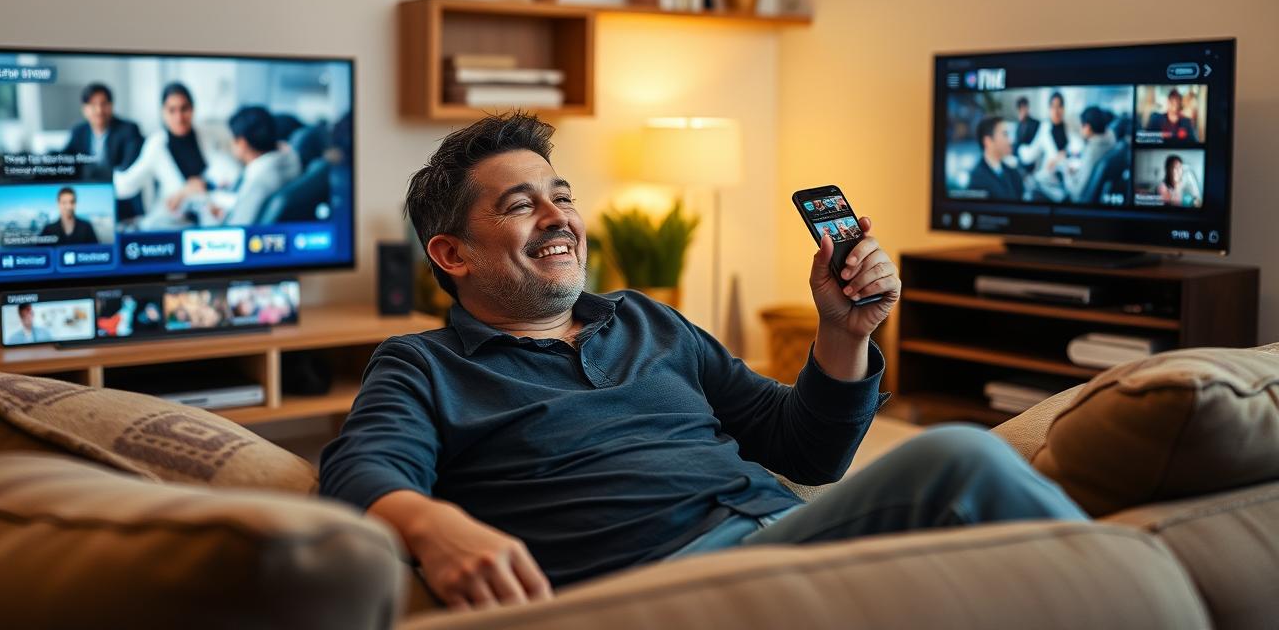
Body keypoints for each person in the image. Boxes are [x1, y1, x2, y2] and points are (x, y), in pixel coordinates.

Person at [319, 113, 1086, 609]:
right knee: (956, 456)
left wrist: (844, 333)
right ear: (450, 253)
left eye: (562, 195)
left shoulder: (644, 320)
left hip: (790, 535)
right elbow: (361, 468)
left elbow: (803, 450)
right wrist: (428, 524)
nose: (559, 218)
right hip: (671, 588)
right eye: (520, 205)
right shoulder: (422, 364)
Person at [112, 83, 238, 230]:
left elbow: (228, 174)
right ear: (163, 112)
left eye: (184, 109)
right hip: (172, 221)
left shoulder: (207, 135)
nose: (179, 117)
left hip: (211, 216)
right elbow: (126, 185)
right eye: (172, 110)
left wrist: (204, 187)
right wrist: (184, 192)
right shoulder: (156, 144)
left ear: (192, 109)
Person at [201, 106, 302, 226]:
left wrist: (208, 214)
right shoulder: (290, 158)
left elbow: (235, 228)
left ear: (242, 144)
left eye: (233, 139)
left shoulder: (259, 184)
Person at [61, 83, 145, 218]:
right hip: (89, 201)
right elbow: (66, 160)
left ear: (111, 106)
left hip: (123, 204)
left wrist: (88, 172)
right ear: (84, 109)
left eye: (104, 103)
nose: (99, 110)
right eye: (93, 105)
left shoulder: (129, 130)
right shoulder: (79, 132)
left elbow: (126, 169)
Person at [1064, 107, 1118, 203]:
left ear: (1088, 127)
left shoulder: (1091, 153)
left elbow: (1077, 192)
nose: (1080, 129)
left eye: (1081, 126)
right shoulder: (1112, 139)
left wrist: (1066, 174)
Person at [966, 117, 1025, 200]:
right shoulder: (977, 180)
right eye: (1005, 134)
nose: (1010, 141)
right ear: (988, 141)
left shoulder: (1013, 173)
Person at [1011, 96, 1040, 173]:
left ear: (1027, 107)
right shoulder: (1019, 124)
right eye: (1021, 108)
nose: (1023, 110)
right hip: (1019, 156)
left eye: (1025, 107)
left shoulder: (1035, 123)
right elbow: (1017, 141)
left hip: (1030, 156)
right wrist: (1021, 122)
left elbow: (1031, 142)